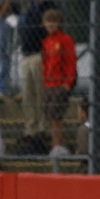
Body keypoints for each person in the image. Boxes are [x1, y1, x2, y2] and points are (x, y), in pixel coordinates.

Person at [18, 0, 57, 152]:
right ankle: (31, 127)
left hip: (40, 53)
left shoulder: (49, 8)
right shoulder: (32, 7)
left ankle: (42, 128)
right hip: (28, 53)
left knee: (40, 94)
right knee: (29, 94)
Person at [40, 9, 76, 159]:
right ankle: (57, 145)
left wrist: (67, 82)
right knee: (51, 116)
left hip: (60, 83)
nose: (51, 25)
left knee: (57, 117)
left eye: (54, 22)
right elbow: (45, 61)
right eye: (48, 23)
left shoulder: (65, 40)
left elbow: (70, 62)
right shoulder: (46, 41)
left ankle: (58, 145)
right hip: (48, 83)